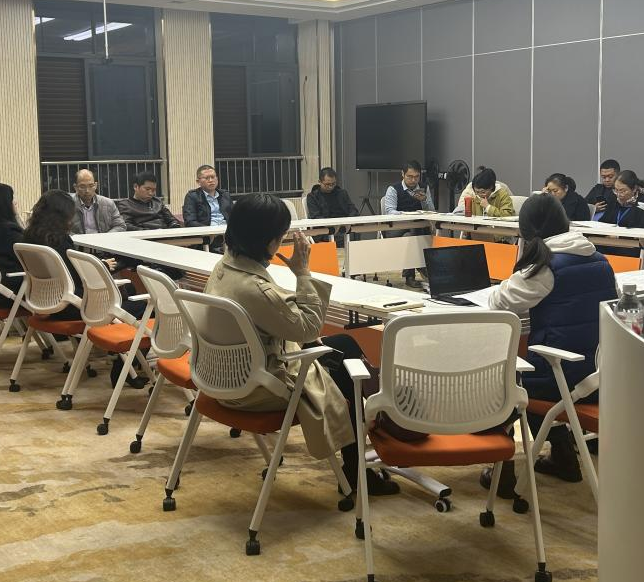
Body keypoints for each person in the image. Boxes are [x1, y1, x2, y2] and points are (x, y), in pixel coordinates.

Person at [203, 193, 399, 497]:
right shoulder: (255, 289)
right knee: (349, 370)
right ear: (269, 240)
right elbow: (308, 327)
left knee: (344, 346)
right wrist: (302, 272)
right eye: (281, 235)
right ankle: (359, 467)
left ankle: (370, 432)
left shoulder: (224, 268)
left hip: (220, 378)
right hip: (258, 388)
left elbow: (282, 318)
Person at [484, 193, 615, 492]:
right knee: (531, 375)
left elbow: (498, 302)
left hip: (564, 378)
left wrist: (520, 266)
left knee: (505, 382)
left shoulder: (546, 267)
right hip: (598, 376)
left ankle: (501, 471)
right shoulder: (600, 260)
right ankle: (563, 456)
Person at [21, 190, 84, 322]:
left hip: (42, 300)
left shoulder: (28, 236)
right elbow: (77, 276)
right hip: (71, 305)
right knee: (128, 302)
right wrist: (103, 267)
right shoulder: (60, 241)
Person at [381, 160, 435, 288]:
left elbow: (432, 212)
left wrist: (424, 201)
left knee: (411, 236)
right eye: (410, 176)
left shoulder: (424, 188)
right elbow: (389, 211)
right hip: (396, 228)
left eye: (416, 177)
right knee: (413, 234)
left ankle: (410, 275)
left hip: (417, 229)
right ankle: (421, 267)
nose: (413, 180)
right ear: (403, 174)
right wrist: (405, 215)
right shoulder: (393, 189)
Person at [117, 171, 181, 231]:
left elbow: (172, 220)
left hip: (165, 233)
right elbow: (126, 225)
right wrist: (148, 232)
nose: (151, 193)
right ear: (136, 187)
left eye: (153, 190)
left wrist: (174, 227)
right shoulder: (125, 205)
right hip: (144, 236)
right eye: (147, 189)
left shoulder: (158, 202)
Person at [70, 169, 127, 235]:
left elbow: (120, 225)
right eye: (82, 186)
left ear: (95, 185)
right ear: (75, 187)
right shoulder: (68, 205)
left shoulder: (108, 203)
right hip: (78, 241)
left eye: (91, 186)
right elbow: (62, 229)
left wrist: (105, 237)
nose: (87, 190)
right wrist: (78, 239)